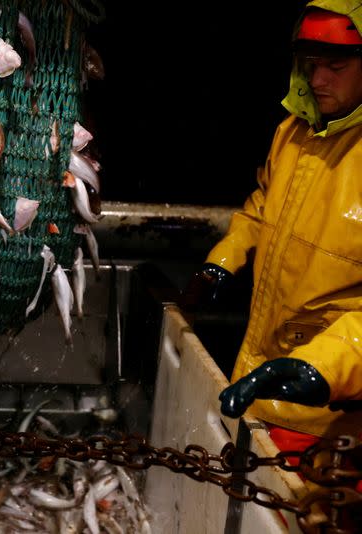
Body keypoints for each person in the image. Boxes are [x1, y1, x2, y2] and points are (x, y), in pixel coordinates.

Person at [183, 1, 362, 456]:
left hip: (332, 422)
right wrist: (221, 264)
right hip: (260, 389)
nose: (318, 80)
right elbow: (262, 208)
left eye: (336, 66)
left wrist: (322, 369)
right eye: (311, 64)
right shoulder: (294, 132)